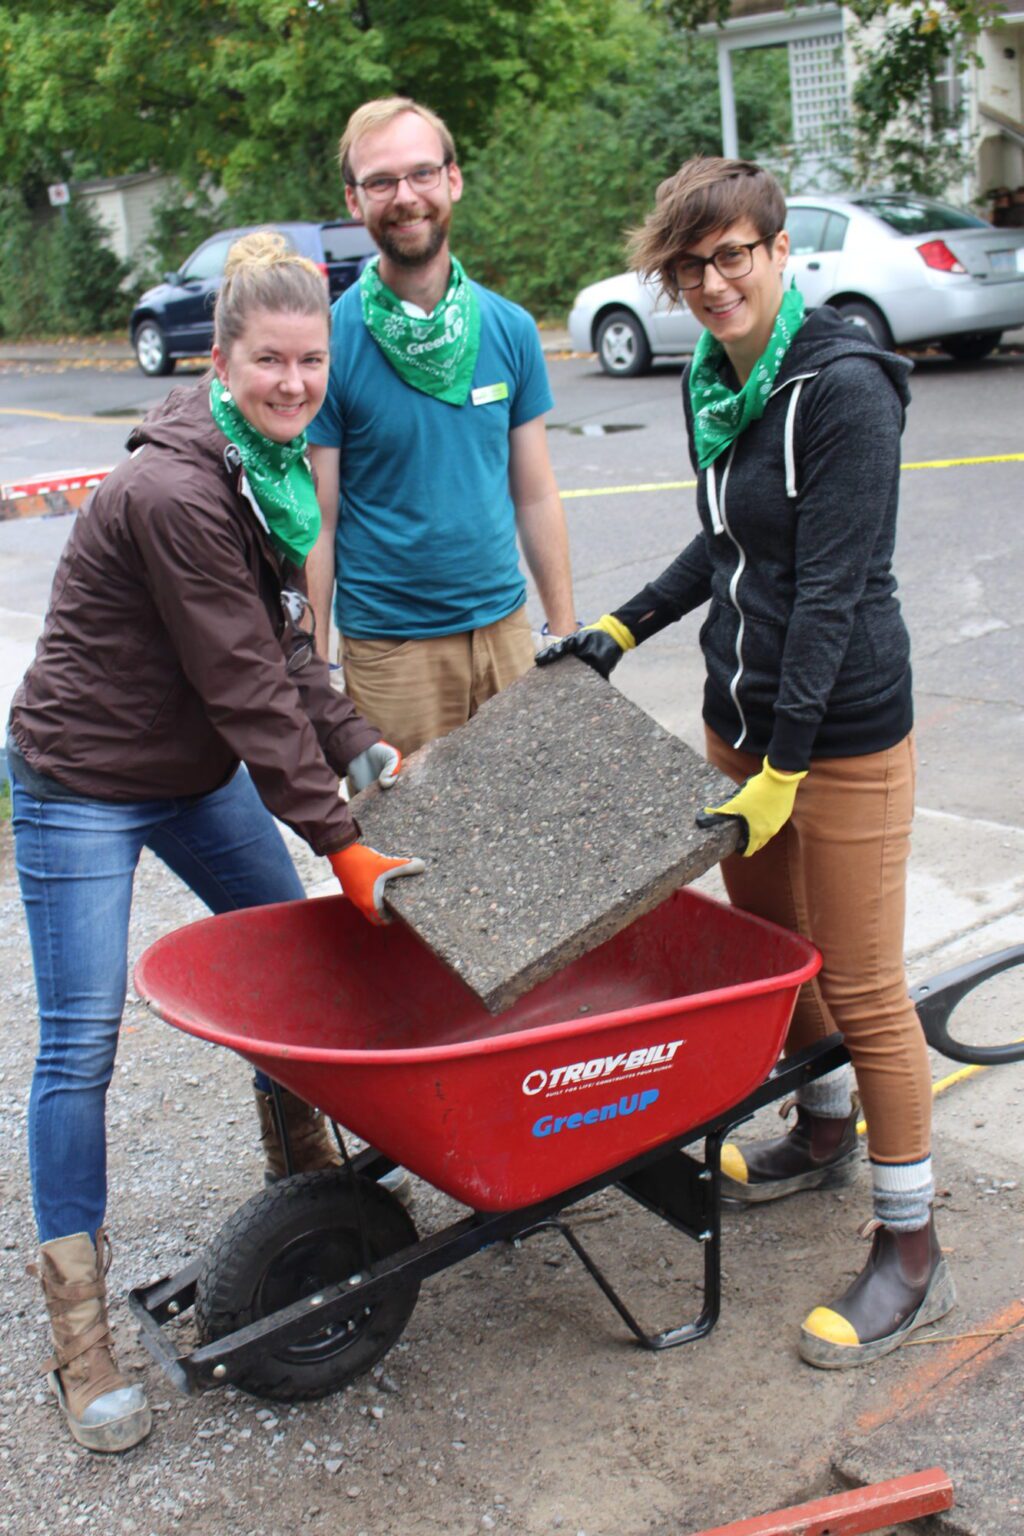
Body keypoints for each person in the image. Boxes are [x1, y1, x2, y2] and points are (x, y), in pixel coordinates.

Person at [7, 233, 423, 1453]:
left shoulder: (267, 466)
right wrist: (342, 843)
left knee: (296, 969)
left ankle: (306, 1187)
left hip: (190, 775)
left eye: (310, 361)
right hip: (82, 779)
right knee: (81, 1039)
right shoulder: (180, 488)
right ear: (220, 358)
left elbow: (287, 647)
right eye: (270, 361)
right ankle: (78, 1331)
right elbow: (247, 688)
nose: (294, 383)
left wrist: (354, 742)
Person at [539, 156, 955, 1370]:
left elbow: (831, 588)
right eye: (691, 266)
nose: (715, 283)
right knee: (783, 960)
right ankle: (821, 1136)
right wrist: (621, 627)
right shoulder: (716, 382)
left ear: (779, 250)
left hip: (842, 734)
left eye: (734, 256)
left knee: (868, 986)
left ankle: (911, 1243)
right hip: (742, 720)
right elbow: (724, 538)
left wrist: (783, 766)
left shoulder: (844, 387)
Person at [306, 96, 578, 759]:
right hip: (391, 654)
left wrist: (565, 632)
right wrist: (311, 668)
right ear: (354, 200)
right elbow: (320, 519)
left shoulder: (510, 329)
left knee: (530, 835)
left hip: (506, 637)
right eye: (381, 182)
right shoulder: (328, 344)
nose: (406, 196)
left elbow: (535, 494)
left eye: (422, 174)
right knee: (410, 856)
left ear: (452, 180)